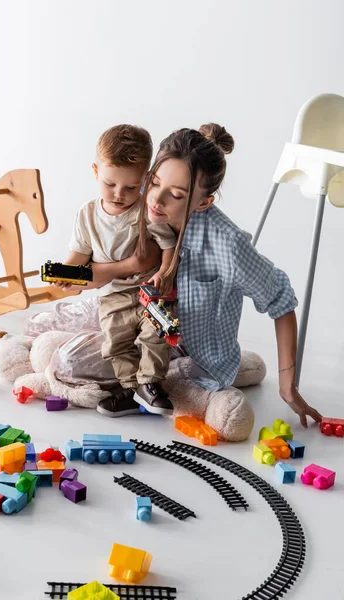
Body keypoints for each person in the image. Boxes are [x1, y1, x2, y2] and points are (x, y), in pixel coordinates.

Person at [121, 122, 321, 429]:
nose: (156, 199)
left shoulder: (227, 245)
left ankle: (226, 379)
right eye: (154, 181)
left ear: (203, 202)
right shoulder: (136, 204)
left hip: (192, 362)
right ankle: (241, 369)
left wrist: (287, 387)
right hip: (138, 340)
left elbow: (282, 300)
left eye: (175, 194)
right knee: (78, 360)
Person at [59, 124, 177, 417]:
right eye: (110, 184)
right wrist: (65, 274)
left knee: (155, 333)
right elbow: (77, 259)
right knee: (115, 343)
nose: (119, 194)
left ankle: (150, 384)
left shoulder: (147, 211)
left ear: (145, 180)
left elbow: (168, 245)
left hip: (148, 292)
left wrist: (164, 272)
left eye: (131, 187)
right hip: (112, 297)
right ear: (96, 171)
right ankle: (128, 388)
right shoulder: (87, 216)